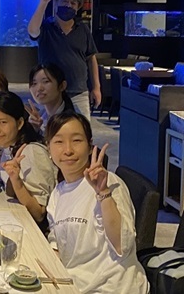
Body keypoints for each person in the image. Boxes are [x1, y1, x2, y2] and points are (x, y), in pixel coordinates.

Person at [45, 111, 148, 294]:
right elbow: (58, 245)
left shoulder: (110, 183)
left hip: (114, 288)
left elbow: (122, 246)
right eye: (59, 142)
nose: (68, 150)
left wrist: (103, 193)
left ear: (90, 146)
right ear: (49, 149)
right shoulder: (57, 193)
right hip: (75, 285)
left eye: (77, 140)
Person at [0, 92, 57, 225]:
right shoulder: (10, 147)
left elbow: (39, 214)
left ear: (19, 123)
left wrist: (16, 180)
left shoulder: (31, 152)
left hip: (34, 230)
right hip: (15, 218)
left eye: (3, 122)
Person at [28, 0, 101, 120]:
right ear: (56, 4)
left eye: (73, 3)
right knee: (50, 128)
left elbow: (91, 58)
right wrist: (43, 2)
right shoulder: (46, 27)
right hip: (51, 91)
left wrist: (96, 87)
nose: (68, 5)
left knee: (82, 127)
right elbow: (32, 31)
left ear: (78, 8)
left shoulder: (83, 29)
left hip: (79, 91)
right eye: (64, 1)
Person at [26, 63, 75, 134]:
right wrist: (34, 130)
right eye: (34, 83)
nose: (39, 88)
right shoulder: (39, 117)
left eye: (46, 81)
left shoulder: (71, 121)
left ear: (62, 86)